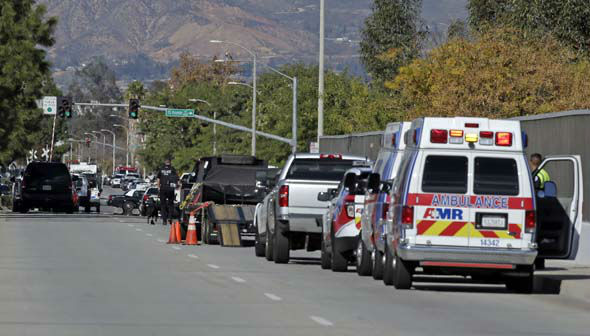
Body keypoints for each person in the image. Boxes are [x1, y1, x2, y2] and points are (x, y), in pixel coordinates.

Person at [157, 158, 178, 225]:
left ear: (164, 162)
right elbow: (176, 178)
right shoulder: (173, 169)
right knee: (171, 204)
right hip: (171, 189)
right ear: (170, 162)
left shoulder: (161, 169)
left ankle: (164, 220)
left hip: (163, 188)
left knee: (163, 205)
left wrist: (158, 187)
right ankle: (170, 217)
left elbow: (158, 179)